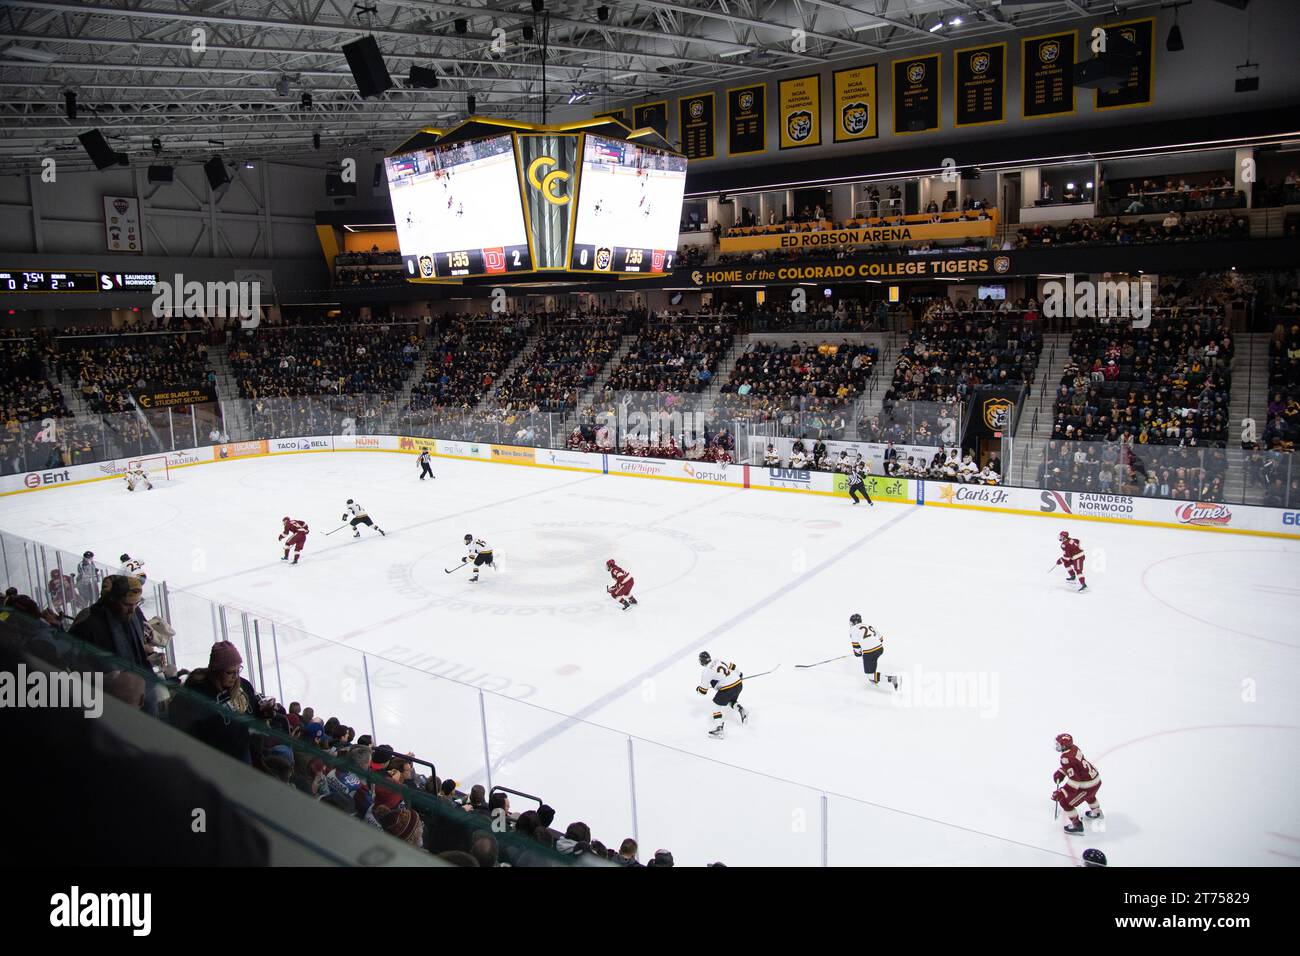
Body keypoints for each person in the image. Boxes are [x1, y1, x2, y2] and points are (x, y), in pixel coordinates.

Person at [1051, 733, 1104, 835]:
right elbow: (1077, 767)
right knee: (1090, 796)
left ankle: (1077, 826)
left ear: (1064, 746)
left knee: (1065, 803)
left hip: (1088, 785)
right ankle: (1096, 812)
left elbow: (1075, 781)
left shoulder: (1066, 758)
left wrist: (1062, 792)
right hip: (1096, 779)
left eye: (1059, 744)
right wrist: (1062, 772)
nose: (1057, 746)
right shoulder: (1074, 748)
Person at [696, 651, 747, 739]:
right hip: (738, 683)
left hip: (728, 688)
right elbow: (733, 666)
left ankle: (719, 730)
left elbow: (703, 692)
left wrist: (698, 689)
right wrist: (740, 674)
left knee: (715, 705)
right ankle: (741, 709)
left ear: (701, 661)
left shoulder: (706, 671)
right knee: (730, 701)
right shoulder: (718, 660)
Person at [849, 613, 899, 689]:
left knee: (869, 674)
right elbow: (881, 638)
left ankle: (892, 679)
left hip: (870, 652)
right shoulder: (868, 625)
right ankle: (874, 681)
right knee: (872, 668)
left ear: (853, 622)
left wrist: (858, 652)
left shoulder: (853, 629)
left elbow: (857, 649)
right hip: (879, 648)